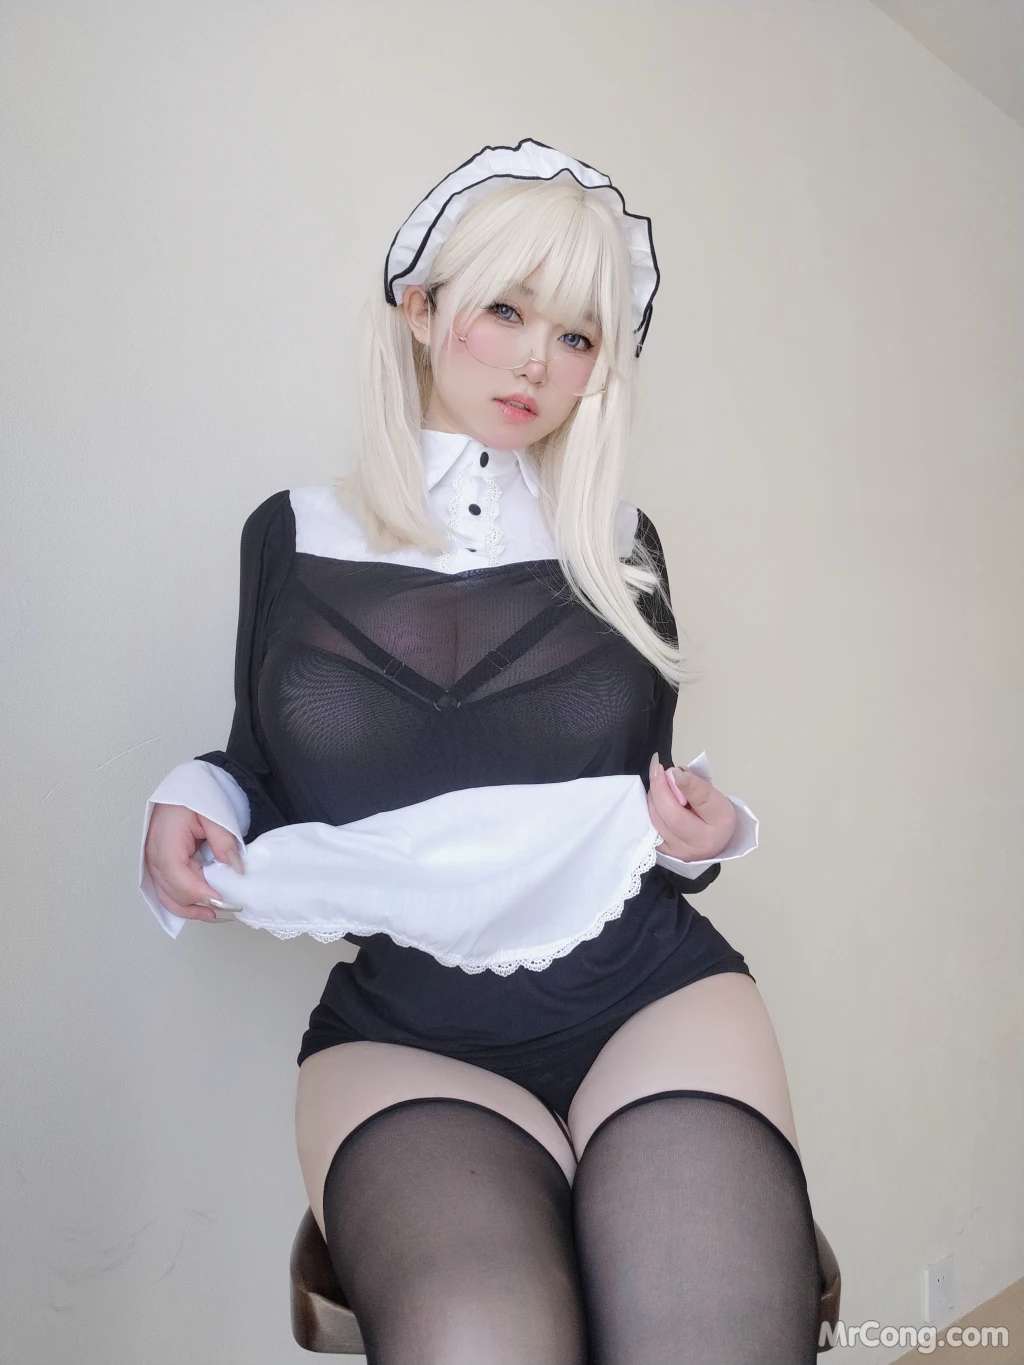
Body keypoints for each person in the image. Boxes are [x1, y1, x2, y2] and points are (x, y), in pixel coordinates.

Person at [140, 138, 824, 1364]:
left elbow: (645, 799)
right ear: (420, 308)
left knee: (707, 1322)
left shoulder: (620, 541)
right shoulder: (291, 532)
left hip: (648, 999)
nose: (535, 361)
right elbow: (263, 764)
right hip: (408, 1032)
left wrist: (704, 835)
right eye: (505, 309)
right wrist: (193, 797)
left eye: (576, 335)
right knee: (476, 1335)